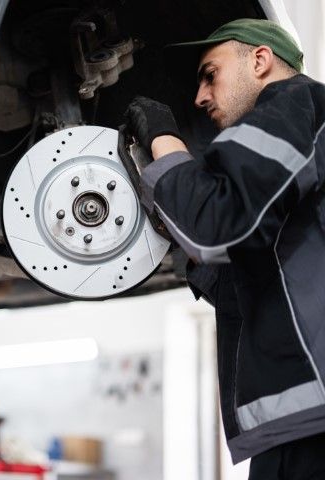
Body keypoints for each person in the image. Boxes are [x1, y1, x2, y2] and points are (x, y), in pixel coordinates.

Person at [124, 19, 325, 480]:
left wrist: (163, 139)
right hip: (301, 422)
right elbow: (252, 276)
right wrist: (178, 213)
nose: (199, 97)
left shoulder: (295, 102)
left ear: (260, 60)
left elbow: (220, 227)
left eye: (209, 74)